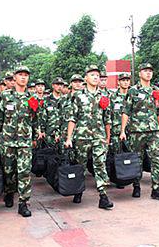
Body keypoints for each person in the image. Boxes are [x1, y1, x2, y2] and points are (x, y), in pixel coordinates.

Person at [0, 66, 37, 217]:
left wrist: (34, 138)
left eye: (26, 75)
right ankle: (8, 191)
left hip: (24, 141)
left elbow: (35, 120)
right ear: (14, 78)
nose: (23, 78)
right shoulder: (5, 96)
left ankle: (23, 203)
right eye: (20, 75)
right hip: (7, 141)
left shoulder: (32, 98)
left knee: (24, 171)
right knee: (8, 171)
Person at [65, 65, 114, 209]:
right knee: (81, 165)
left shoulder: (104, 97)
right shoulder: (78, 96)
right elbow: (72, 118)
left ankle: (103, 195)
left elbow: (107, 119)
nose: (95, 77)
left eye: (97, 75)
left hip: (99, 136)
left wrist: (107, 137)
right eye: (92, 75)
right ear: (85, 78)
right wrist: (69, 138)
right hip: (82, 136)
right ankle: (78, 190)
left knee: (100, 164)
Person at [120, 63, 159, 201]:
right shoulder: (133, 91)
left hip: (153, 131)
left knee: (156, 158)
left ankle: (156, 188)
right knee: (137, 159)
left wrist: (158, 128)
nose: (148, 73)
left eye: (150, 71)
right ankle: (136, 185)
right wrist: (123, 130)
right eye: (145, 71)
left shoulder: (156, 91)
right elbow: (126, 111)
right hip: (137, 131)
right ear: (140, 73)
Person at [109, 73, 131, 154]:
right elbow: (109, 115)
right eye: (123, 80)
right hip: (116, 132)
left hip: (132, 131)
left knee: (133, 158)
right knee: (117, 158)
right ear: (118, 82)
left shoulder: (133, 96)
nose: (125, 82)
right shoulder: (112, 97)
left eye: (127, 80)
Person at [39, 77, 64, 146]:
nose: (59, 86)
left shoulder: (65, 100)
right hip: (49, 133)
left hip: (62, 134)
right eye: (57, 84)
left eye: (61, 85)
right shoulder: (46, 99)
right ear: (53, 85)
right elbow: (41, 117)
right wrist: (42, 131)